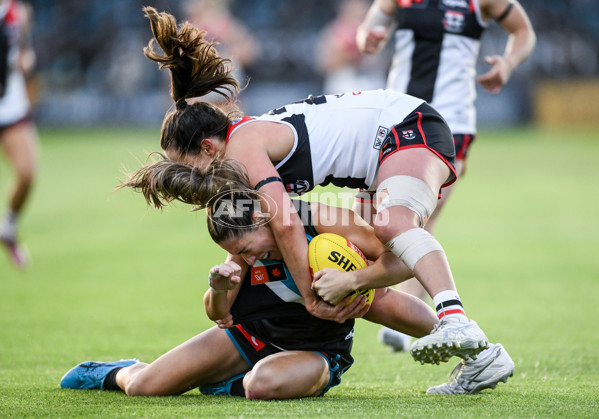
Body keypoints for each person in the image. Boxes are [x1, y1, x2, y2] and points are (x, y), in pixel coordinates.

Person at [127, 6, 491, 367]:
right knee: (381, 279)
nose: (190, 176)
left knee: (394, 226)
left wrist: (312, 298)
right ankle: (485, 359)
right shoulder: (244, 149)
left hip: (405, 128)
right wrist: (354, 281)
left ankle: (455, 319)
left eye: (185, 165)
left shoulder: (242, 144)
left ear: (207, 147)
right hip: (379, 156)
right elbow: (263, 224)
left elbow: (285, 222)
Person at [60, 188, 455, 399]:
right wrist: (219, 288)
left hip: (316, 351)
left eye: (248, 246)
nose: (247, 256)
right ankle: (111, 371)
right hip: (250, 337)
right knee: (147, 387)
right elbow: (219, 316)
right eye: (237, 251)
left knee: (261, 386)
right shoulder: (242, 250)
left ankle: (473, 347)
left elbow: (402, 261)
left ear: (261, 217)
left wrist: (356, 282)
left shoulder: (320, 221)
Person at [354, 0, 536, 355]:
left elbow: (523, 30)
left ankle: (413, 319)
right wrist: (368, 38)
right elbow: (369, 27)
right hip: (396, 120)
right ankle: (394, 309)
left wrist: (509, 62)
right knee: (370, 223)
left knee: (417, 217)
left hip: (451, 126)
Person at [0, 0, 39, 269]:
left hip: (10, 106)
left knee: (27, 172)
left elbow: (25, 53)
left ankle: (8, 229)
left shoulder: (19, 12)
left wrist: (26, 60)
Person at [315, 0, 386, 95]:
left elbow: (381, 64)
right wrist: (345, 55)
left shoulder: (373, 30)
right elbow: (323, 64)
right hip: (342, 82)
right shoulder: (335, 30)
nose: (358, 10)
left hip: (369, 82)